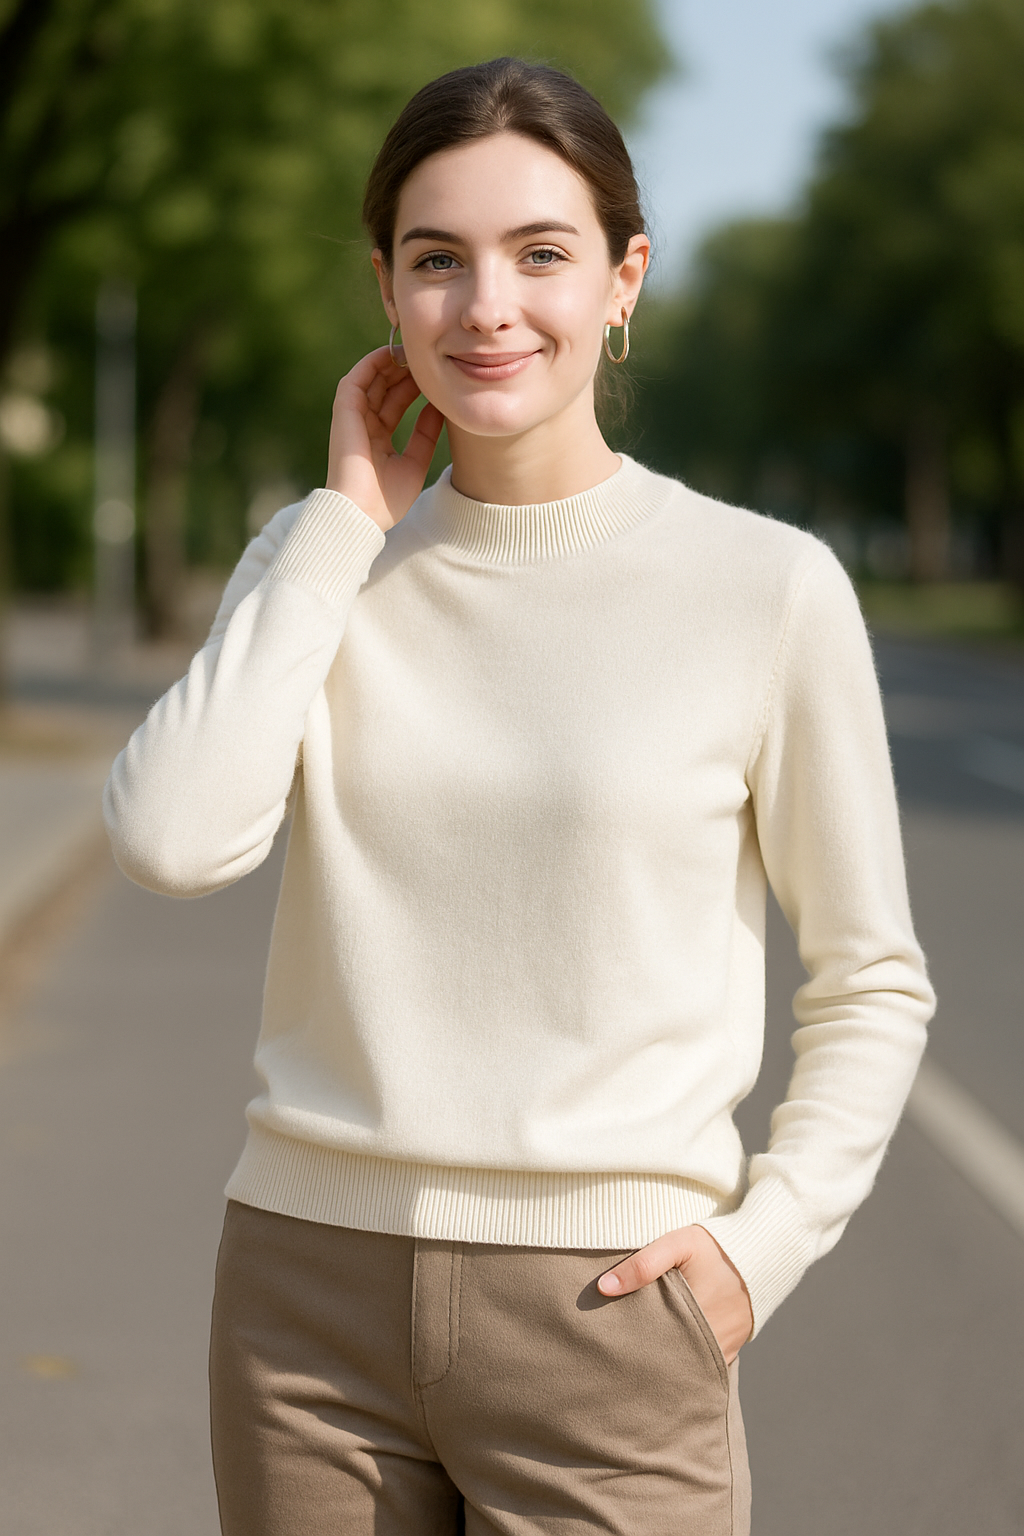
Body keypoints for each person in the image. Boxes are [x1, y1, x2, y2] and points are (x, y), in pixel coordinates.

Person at [104, 56, 935, 1536]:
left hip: (610, 1320)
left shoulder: (765, 588)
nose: (488, 306)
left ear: (624, 279)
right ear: (387, 290)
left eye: (541, 254)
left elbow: (872, 980)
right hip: (304, 1302)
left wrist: (765, 1246)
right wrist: (344, 521)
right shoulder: (320, 568)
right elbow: (172, 839)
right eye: (438, 261)